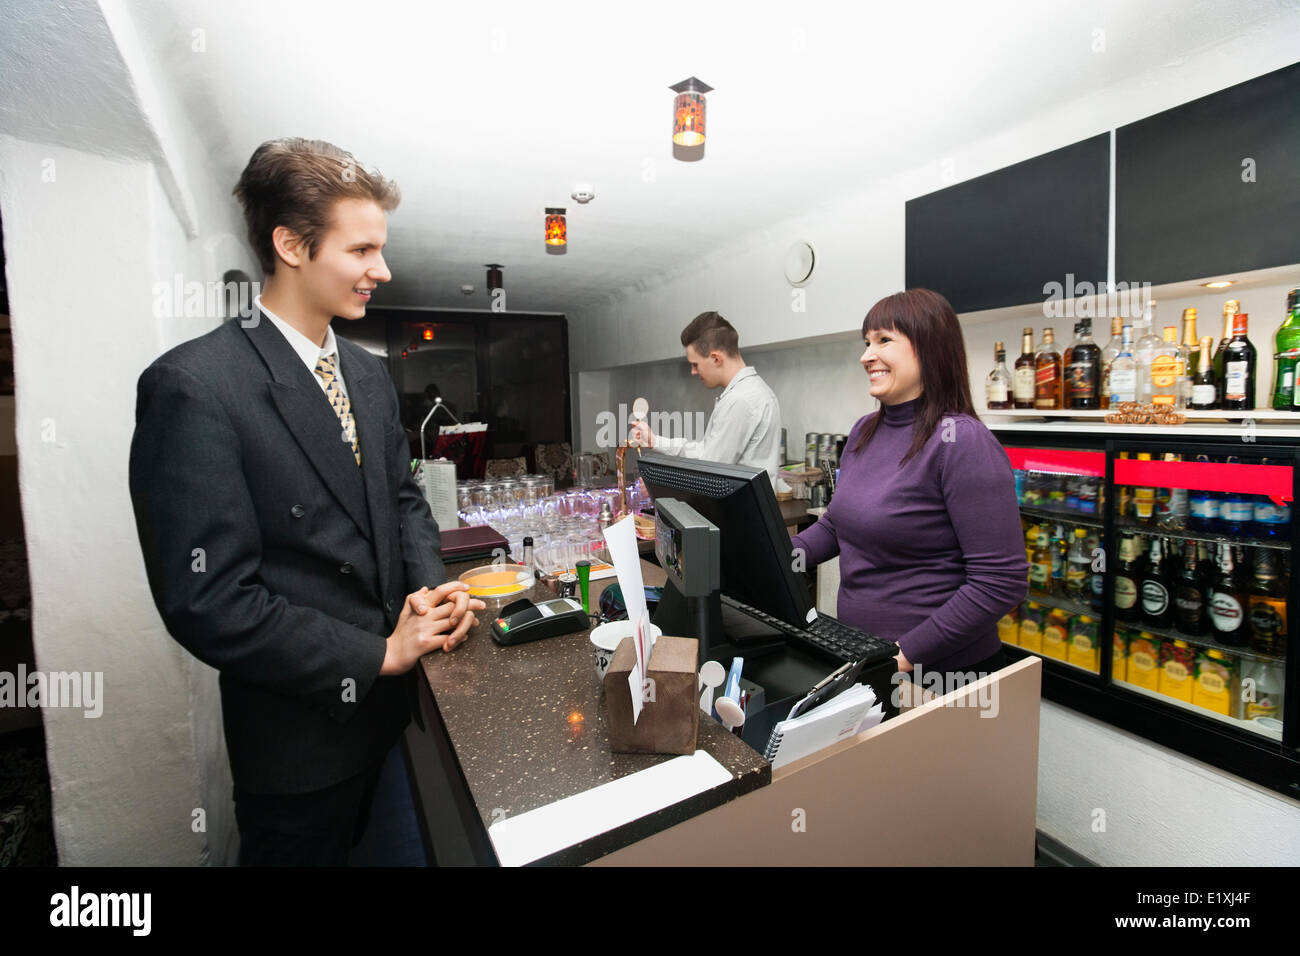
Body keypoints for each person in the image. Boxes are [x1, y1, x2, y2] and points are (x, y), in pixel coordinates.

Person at [128, 138, 484, 866]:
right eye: (361, 251)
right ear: (291, 244)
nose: (380, 271)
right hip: (299, 746)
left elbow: (401, 498)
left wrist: (430, 595)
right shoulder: (196, 386)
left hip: (389, 719)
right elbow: (208, 598)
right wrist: (378, 653)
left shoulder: (368, 372)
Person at [790, 289, 1027, 683]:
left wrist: (905, 655)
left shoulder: (961, 440)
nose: (866, 355)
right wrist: (782, 555)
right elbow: (837, 525)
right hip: (865, 651)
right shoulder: (865, 430)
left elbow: (1000, 582)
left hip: (939, 671)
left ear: (930, 348)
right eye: (867, 342)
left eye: (884, 340)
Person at [629, 311, 783, 486]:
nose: (693, 372)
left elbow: (709, 470)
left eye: (695, 364)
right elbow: (706, 452)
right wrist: (655, 441)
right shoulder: (752, 391)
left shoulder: (741, 399)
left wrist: (655, 482)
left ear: (716, 358)